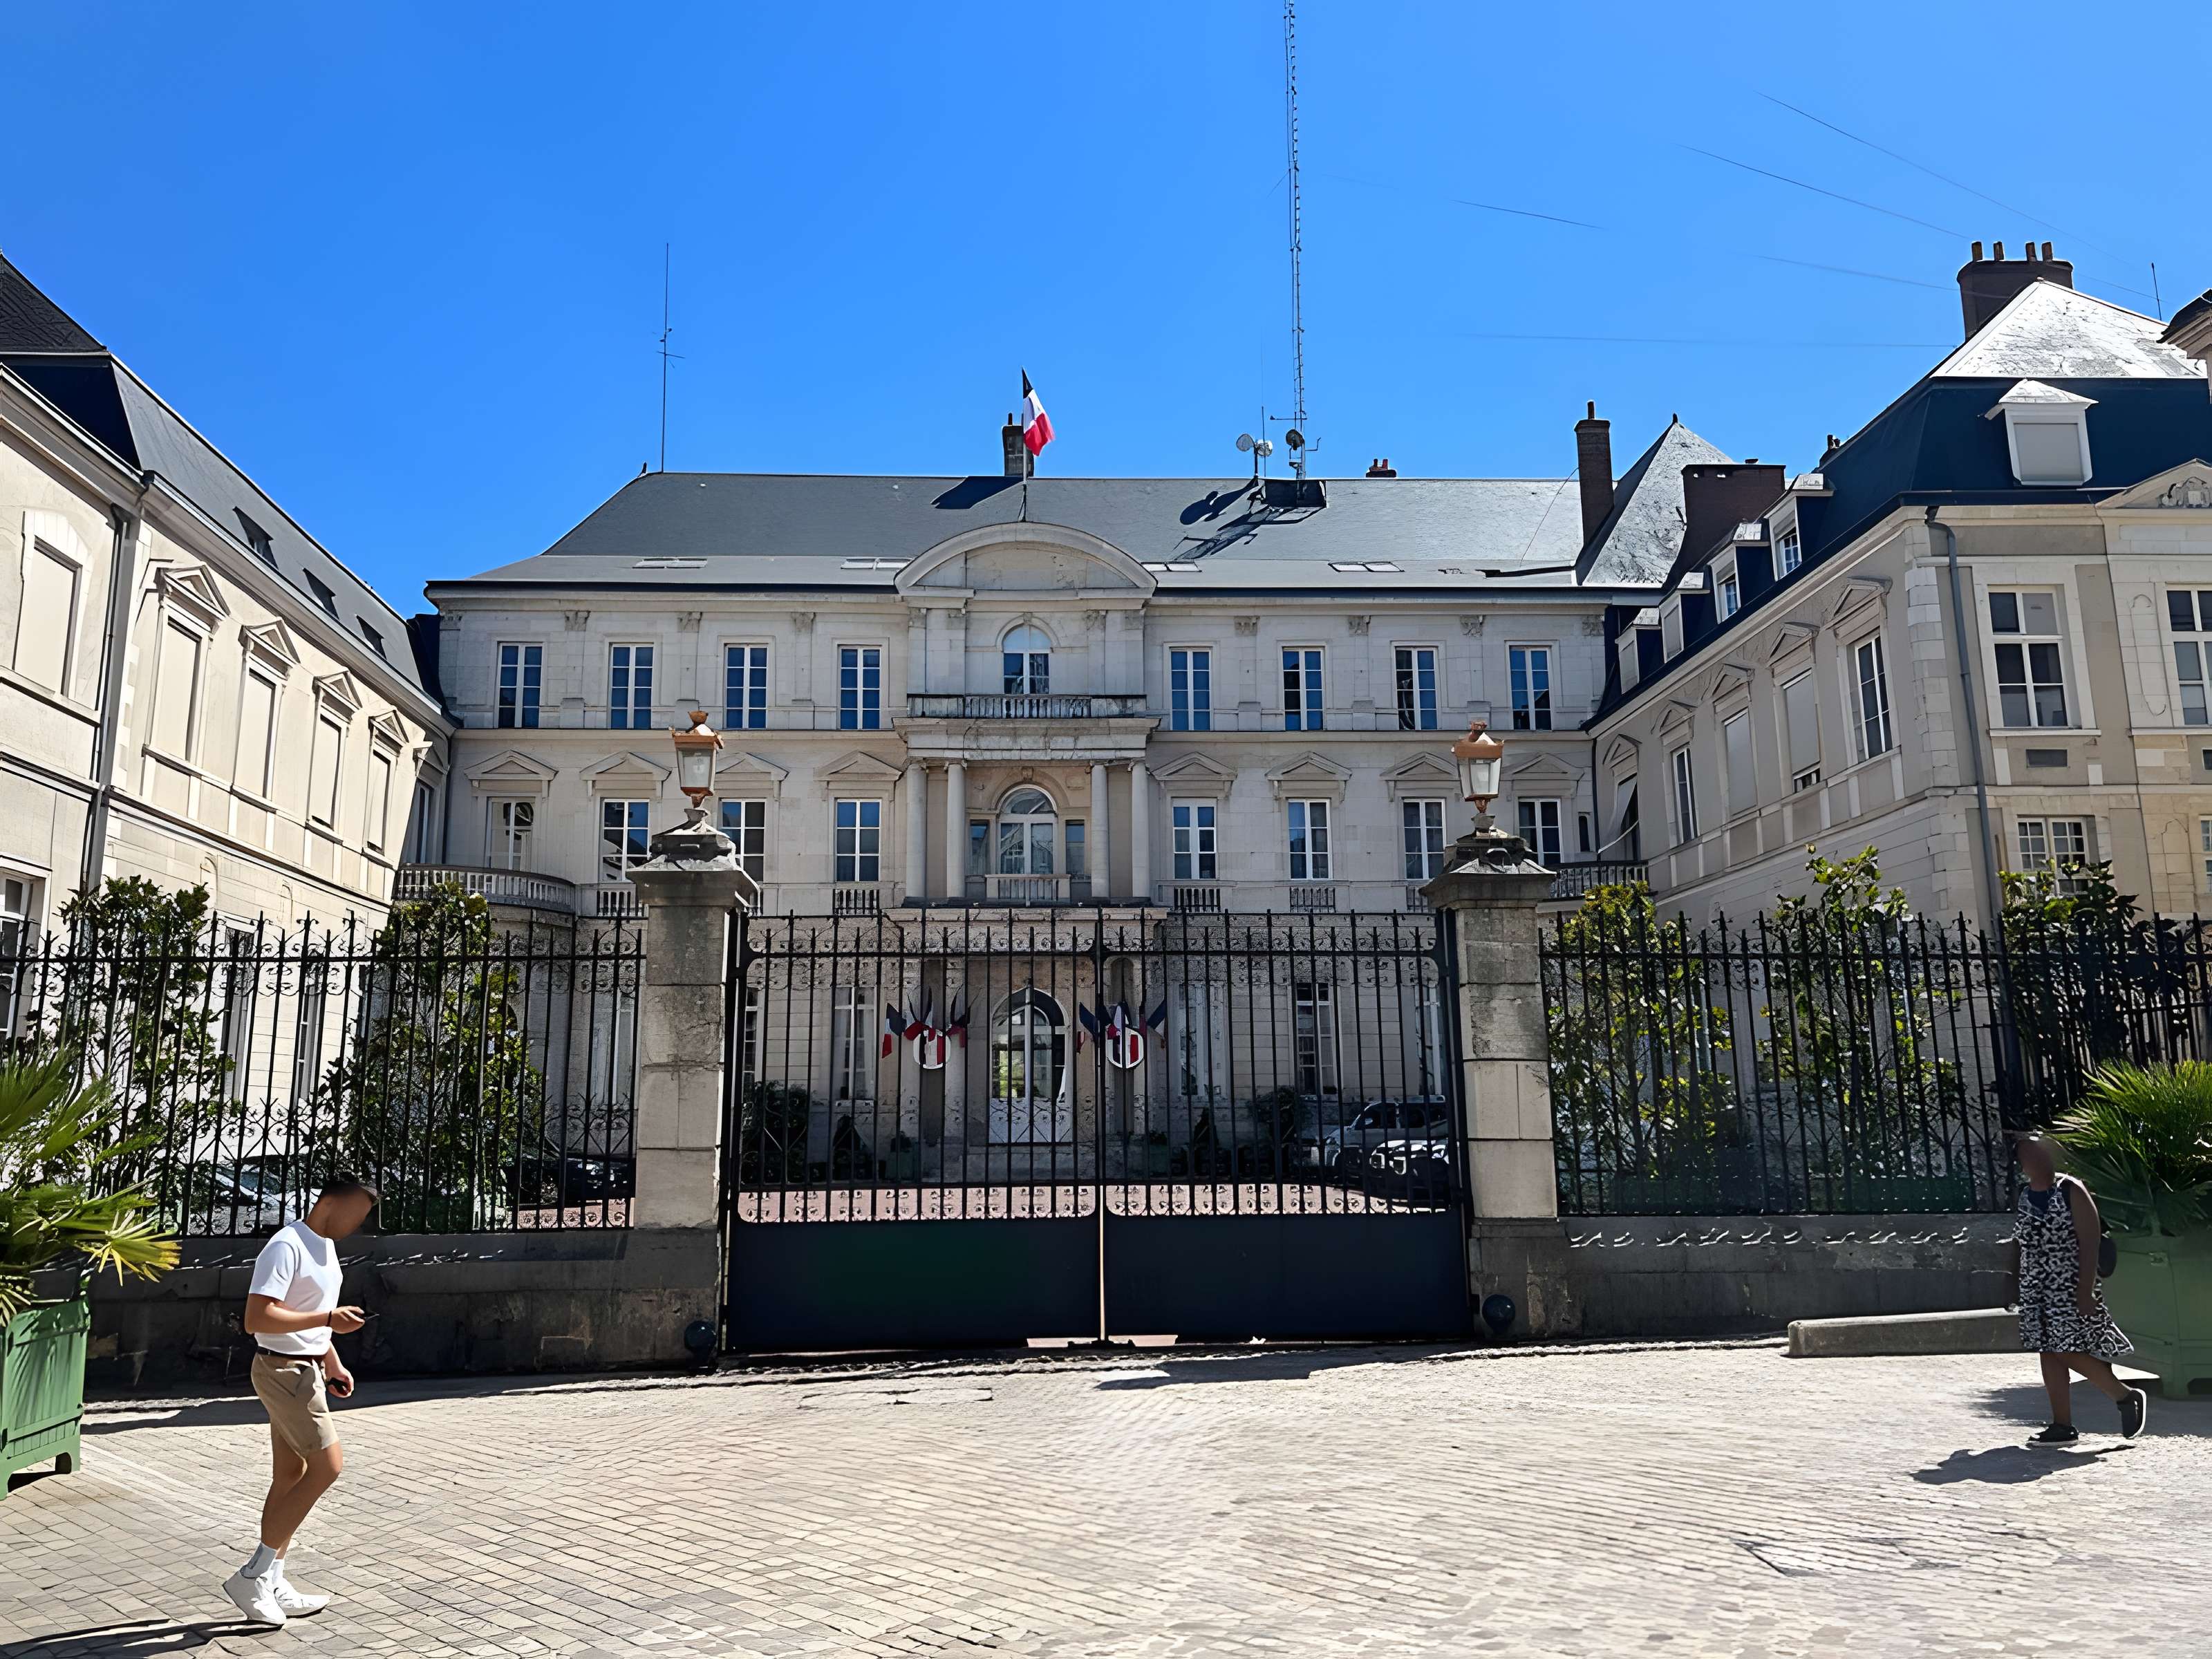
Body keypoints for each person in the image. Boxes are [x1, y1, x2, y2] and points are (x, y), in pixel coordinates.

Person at [221, 1172, 377, 1627]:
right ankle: (253, 1574)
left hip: (304, 1368)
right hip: (282, 1370)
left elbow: (304, 1311)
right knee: (327, 1465)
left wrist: (331, 1358)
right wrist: (328, 1317)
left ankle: (272, 1578)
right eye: (356, 1214)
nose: (357, 1224)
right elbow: (258, 1317)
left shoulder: (326, 1249)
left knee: (291, 1474)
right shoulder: (286, 1245)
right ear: (329, 1203)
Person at [2009, 1132, 2147, 1447]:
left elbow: (2090, 1241)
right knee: (2047, 1349)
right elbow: (2019, 1242)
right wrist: (2011, 1280)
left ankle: (2124, 1396)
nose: (2033, 1161)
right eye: (2026, 1156)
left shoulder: (2070, 1189)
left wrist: (2085, 1291)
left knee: (2064, 1348)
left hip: (2069, 1284)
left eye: (2038, 1153)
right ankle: (2062, 1425)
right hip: (2035, 1287)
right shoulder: (2024, 1194)